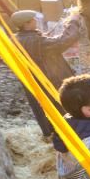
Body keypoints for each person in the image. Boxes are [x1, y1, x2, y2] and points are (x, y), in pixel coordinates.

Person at [11, 9, 80, 140]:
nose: (36, 21)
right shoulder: (36, 42)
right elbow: (64, 41)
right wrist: (73, 21)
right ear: (26, 24)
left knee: (41, 108)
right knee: (60, 106)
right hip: (48, 79)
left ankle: (51, 134)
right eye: (33, 20)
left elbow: (38, 45)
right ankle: (68, 137)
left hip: (32, 80)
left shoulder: (16, 38)